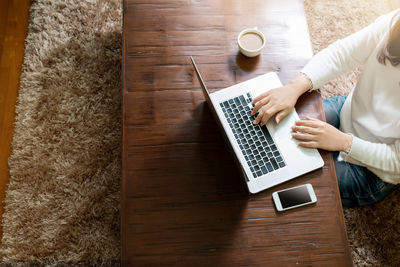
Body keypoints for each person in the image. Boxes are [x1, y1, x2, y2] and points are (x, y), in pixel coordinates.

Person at [251, 9, 400, 207]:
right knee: (269, 132)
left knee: (284, 190)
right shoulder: (395, 21)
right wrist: (294, 87)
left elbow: (396, 161)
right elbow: (344, 53)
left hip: (371, 170)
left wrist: (344, 143)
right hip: (348, 112)